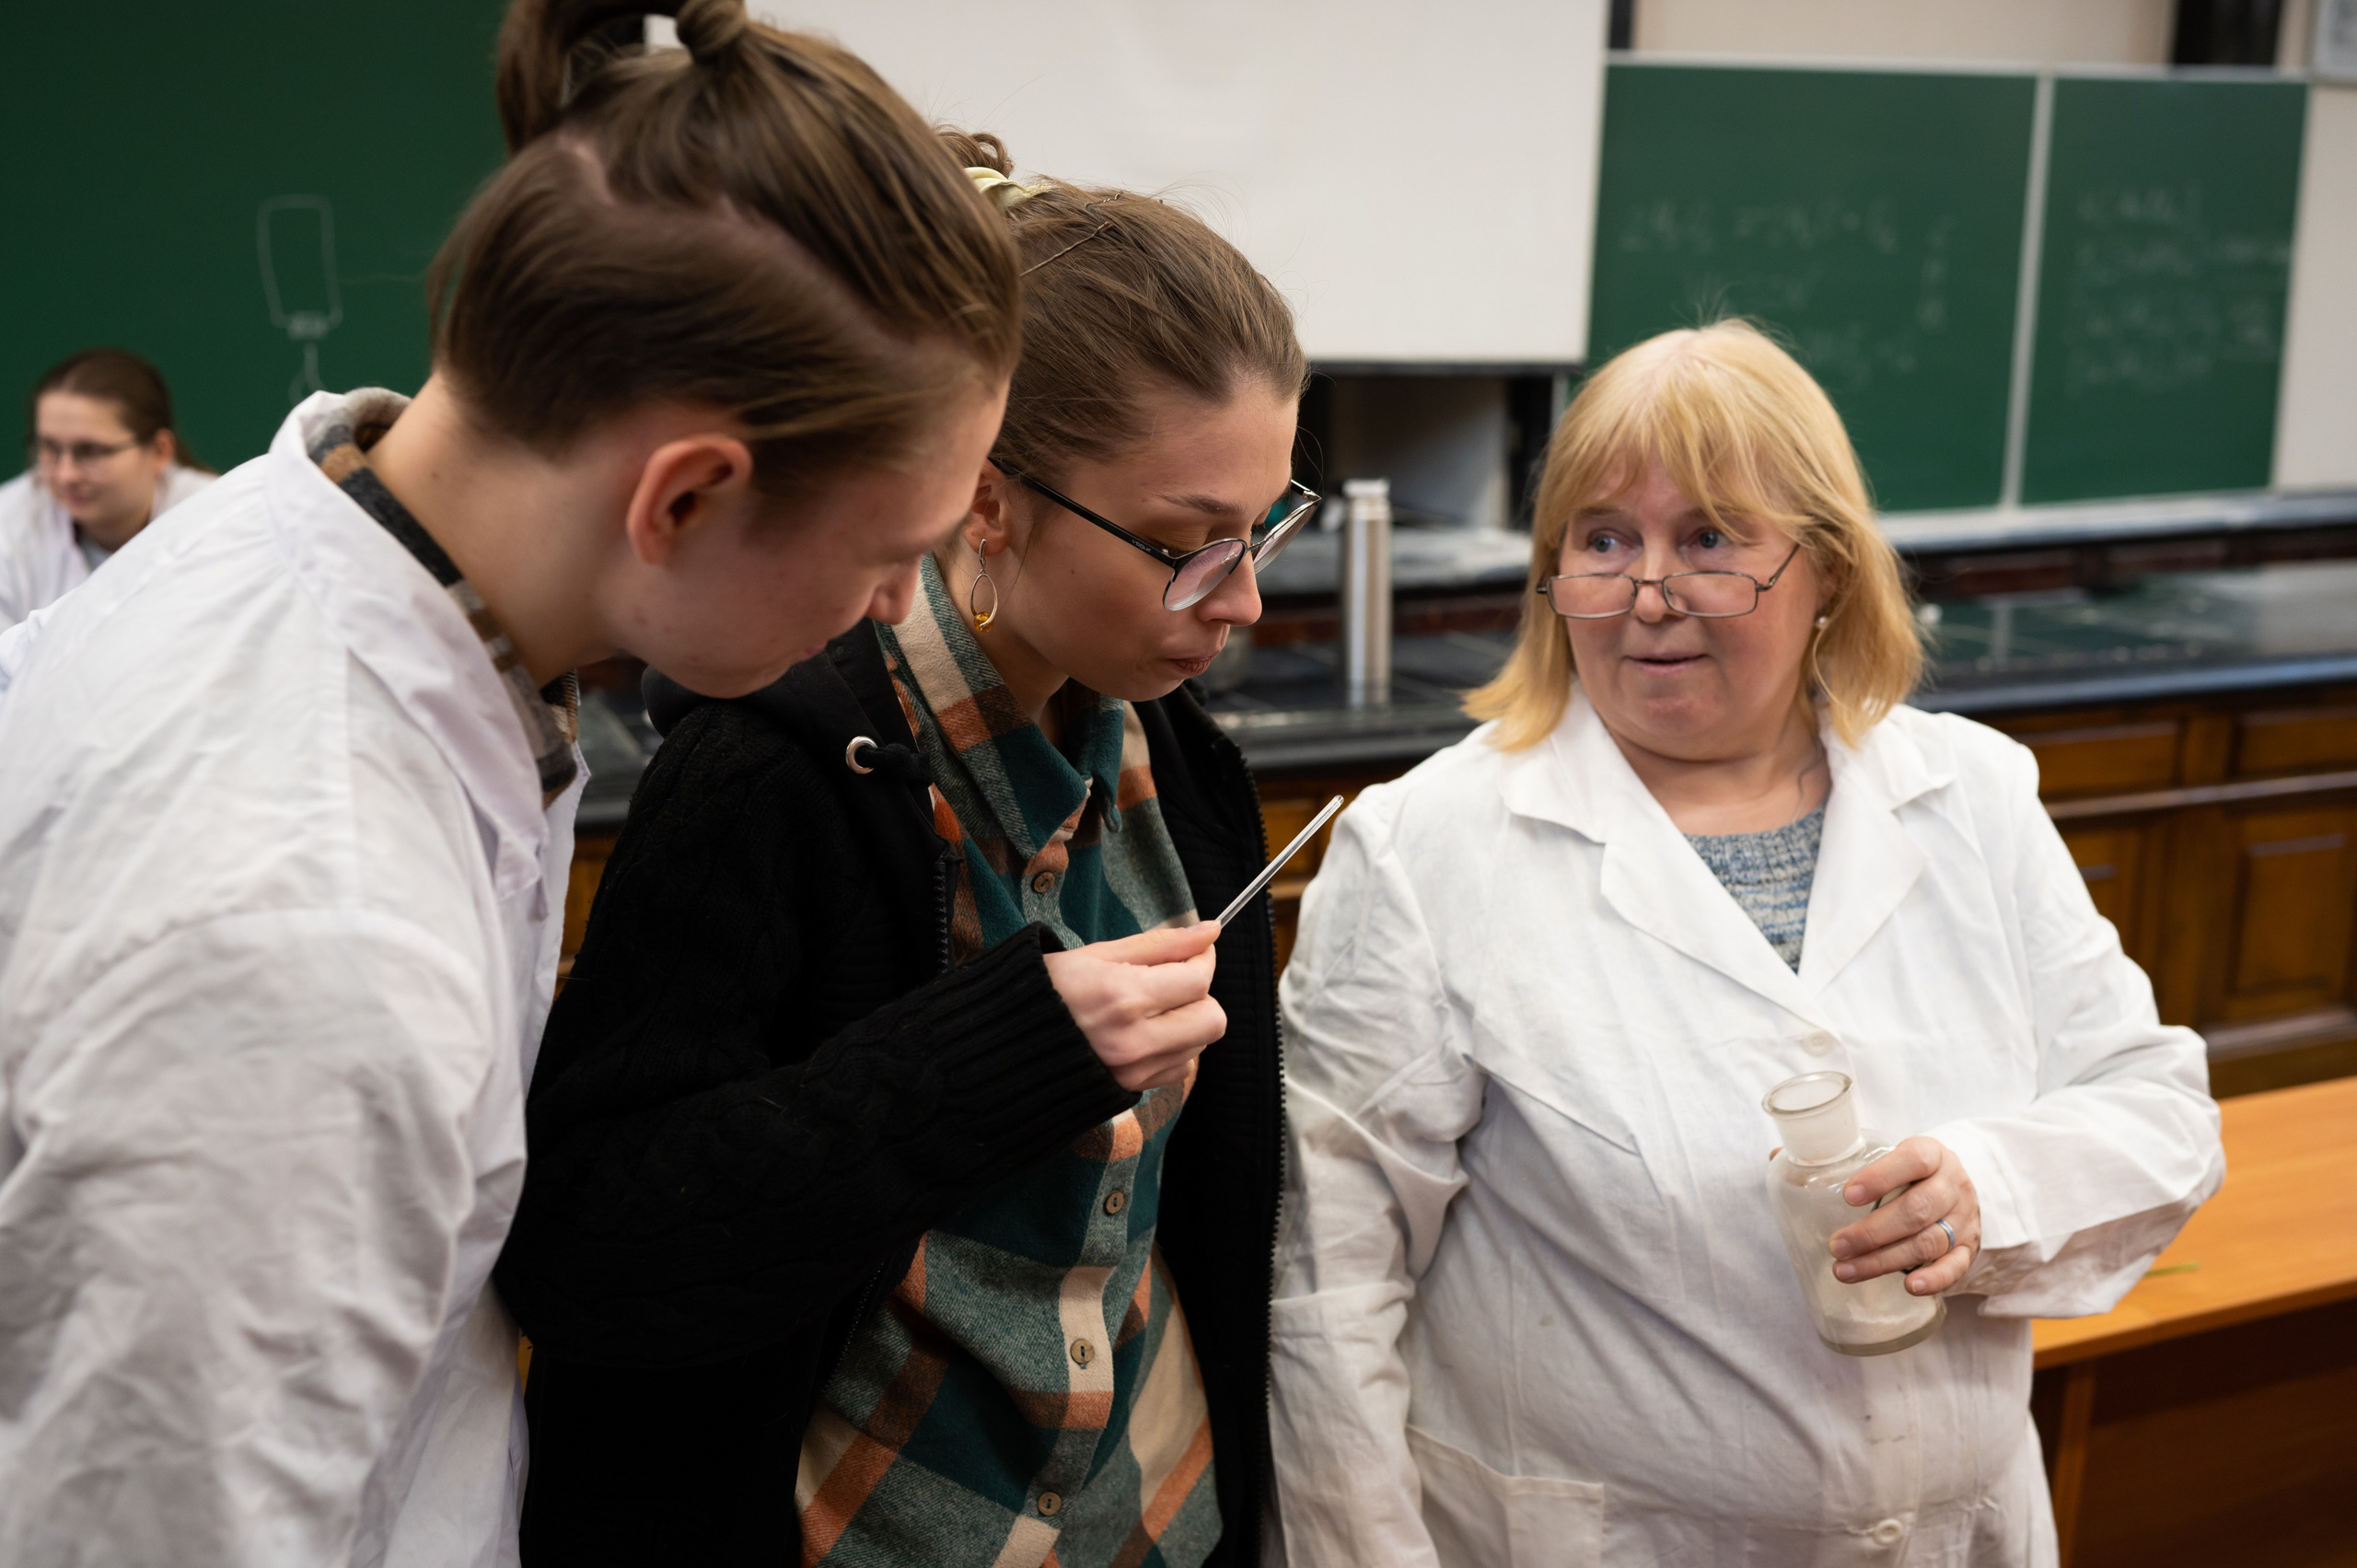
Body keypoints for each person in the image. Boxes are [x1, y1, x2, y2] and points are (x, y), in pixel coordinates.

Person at [0, 2, 1037, 1563]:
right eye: (894, 551)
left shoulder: (334, 531)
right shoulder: (307, 941)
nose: (898, 605)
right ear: (685, 494)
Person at [1265, 320, 2224, 1567]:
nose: (1651, 591)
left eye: (1711, 538)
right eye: (1605, 539)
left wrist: (1984, 1190)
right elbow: (1326, 1291)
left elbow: (2159, 1111)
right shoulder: (1428, 850)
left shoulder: (1972, 795)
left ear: (1826, 570)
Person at [493, 132, 1313, 1568]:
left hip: (1153, 1519)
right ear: (988, 496)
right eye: (1192, 543)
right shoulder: (773, 767)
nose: (1240, 601)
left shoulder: (1177, 759)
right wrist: (999, 1053)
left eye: (1267, 527)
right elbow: (591, 1243)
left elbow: (1204, 1228)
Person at [0, 349, 213, 631]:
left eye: (90, 452)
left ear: (160, 452)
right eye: (50, 449)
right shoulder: (11, 523)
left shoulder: (215, 519)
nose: (66, 475)